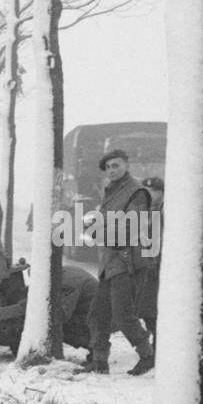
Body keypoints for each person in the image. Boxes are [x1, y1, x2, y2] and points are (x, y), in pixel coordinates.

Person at [78, 149, 154, 376]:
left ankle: (148, 355)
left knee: (123, 316)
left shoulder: (136, 192)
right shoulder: (112, 192)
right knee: (97, 314)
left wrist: (99, 231)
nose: (112, 170)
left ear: (126, 165)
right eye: (109, 167)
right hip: (109, 263)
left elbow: (133, 226)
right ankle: (99, 361)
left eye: (116, 165)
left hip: (127, 263)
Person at [136, 176, 163, 342]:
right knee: (146, 310)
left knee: (153, 310)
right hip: (147, 267)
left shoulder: (164, 211)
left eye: (154, 191)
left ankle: (157, 344)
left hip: (158, 268)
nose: (150, 194)